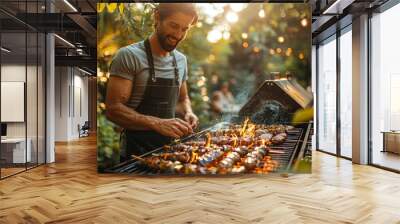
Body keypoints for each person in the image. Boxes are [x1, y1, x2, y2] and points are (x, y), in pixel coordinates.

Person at [105, 3, 199, 161]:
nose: (178, 34)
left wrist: (188, 112)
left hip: (172, 151)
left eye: (185, 29)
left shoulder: (181, 60)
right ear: (157, 17)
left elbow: (183, 99)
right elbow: (113, 109)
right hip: (136, 153)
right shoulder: (129, 56)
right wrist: (157, 123)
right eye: (174, 25)